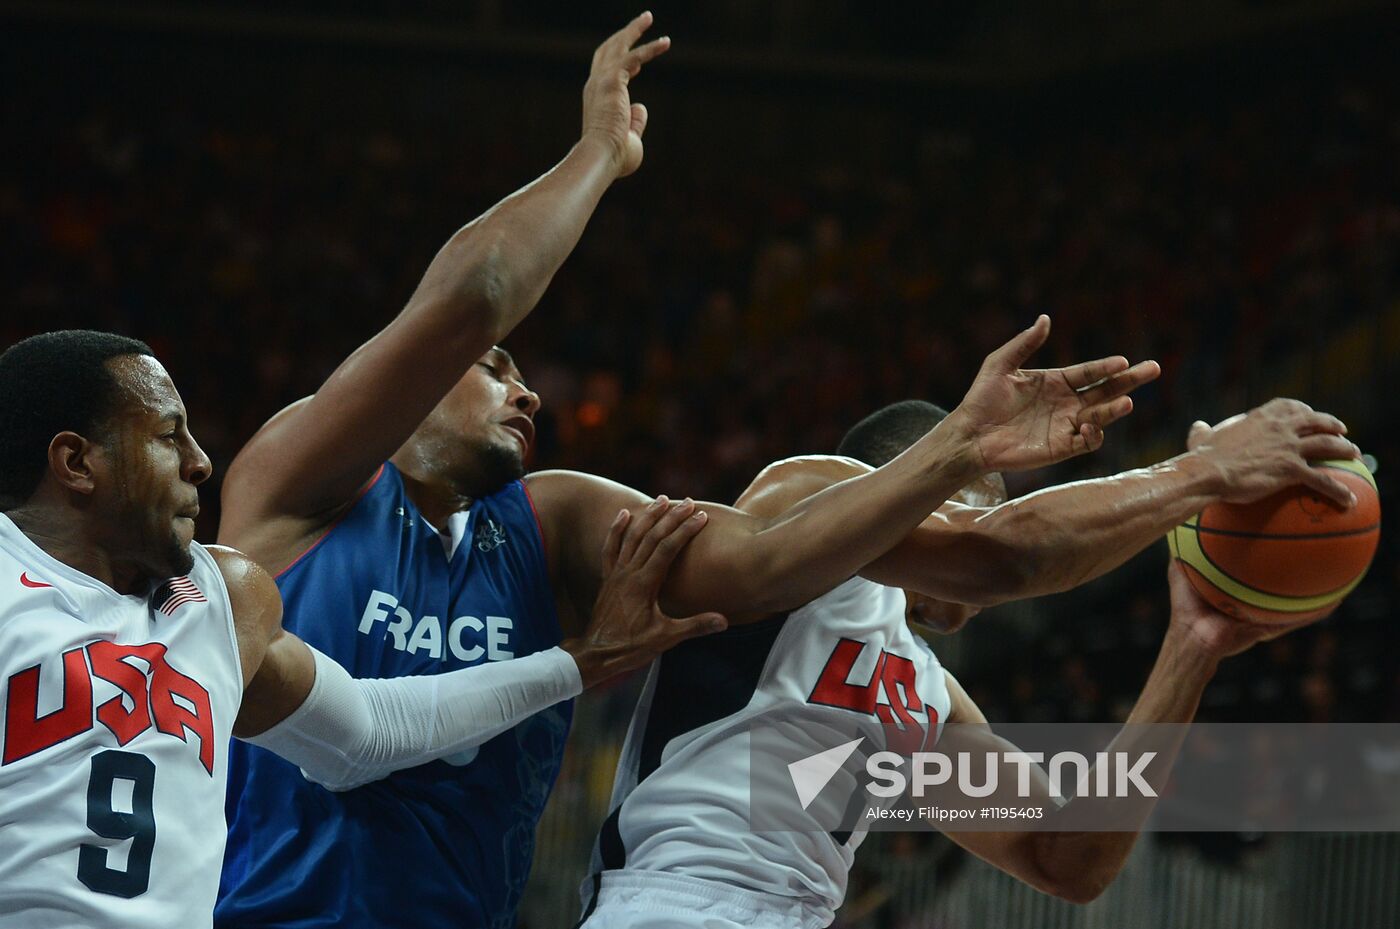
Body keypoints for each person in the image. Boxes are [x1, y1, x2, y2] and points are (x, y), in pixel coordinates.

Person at [212, 13, 1163, 929]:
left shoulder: (550, 521)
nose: (528, 392)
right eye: (498, 369)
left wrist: (1193, 633)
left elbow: (1060, 850)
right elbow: (472, 300)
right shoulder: (301, 485)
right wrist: (600, 155)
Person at [0, 330, 720, 929]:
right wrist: (601, 153)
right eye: (166, 436)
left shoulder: (212, 603)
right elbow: (470, 296)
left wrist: (577, 664)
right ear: (75, 463)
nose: (200, 460)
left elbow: (374, 729)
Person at [575, 398, 1359, 927]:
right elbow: (1003, 554)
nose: (982, 535)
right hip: (675, 900)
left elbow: (1068, 857)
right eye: (981, 500)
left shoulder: (923, 693)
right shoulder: (793, 502)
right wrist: (1204, 475)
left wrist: (1191, 649)